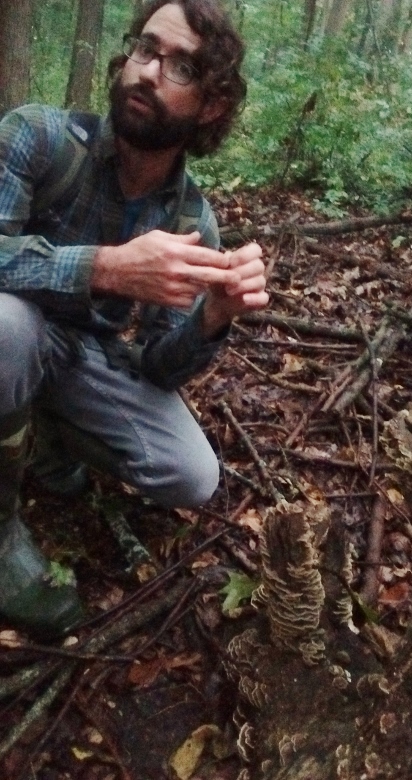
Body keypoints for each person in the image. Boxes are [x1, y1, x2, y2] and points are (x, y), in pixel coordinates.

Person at [0, 0, 268, 639]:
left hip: (76, 357)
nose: (149, 72)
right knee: (6, 326)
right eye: (146, 50)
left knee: (192, 474)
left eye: (180, 67)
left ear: (210, 107)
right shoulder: (36, 137)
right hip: (15, 332)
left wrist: (211, 319)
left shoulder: (190, 223)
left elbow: (153, 365)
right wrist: (104, 267)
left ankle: (42, 432)